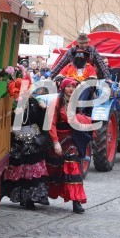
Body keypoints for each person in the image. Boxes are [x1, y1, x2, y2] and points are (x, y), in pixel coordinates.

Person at [47, 78, 90, 214]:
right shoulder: (56, 103)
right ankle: (40, 194)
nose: (71, 89)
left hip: (71, 140)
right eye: (69, 86)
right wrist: (55, 142)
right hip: (58, 139)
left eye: (74, 86)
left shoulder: (75, 103)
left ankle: (76, 202)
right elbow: (51, 124)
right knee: (52, 169)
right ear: (63, 88)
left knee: (73, 169)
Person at [3, 93, 50, 209]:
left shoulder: (35, 101)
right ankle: (21, 197)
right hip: (16, 141)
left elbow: (43, 121)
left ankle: (30, 199)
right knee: (19, 169)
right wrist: (13, 115)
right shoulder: (11, 102)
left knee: (31, 171)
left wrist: (45, 109)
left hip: (33, 142)